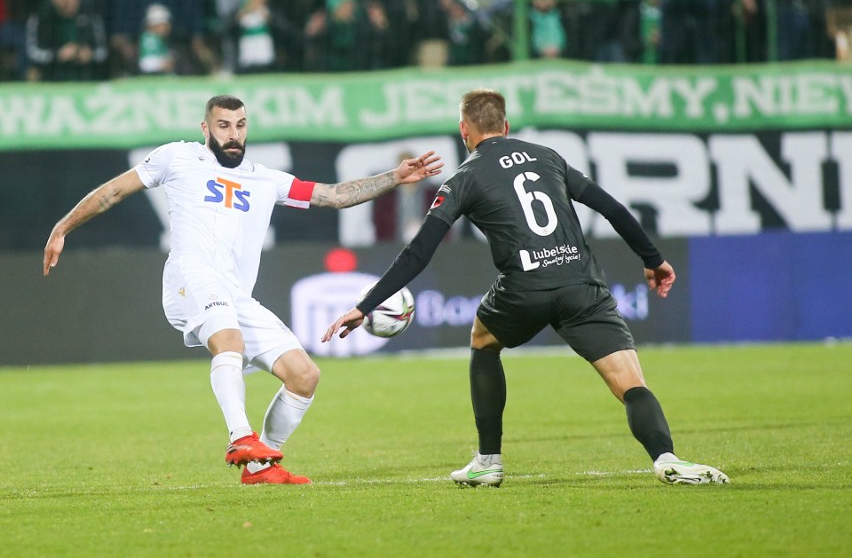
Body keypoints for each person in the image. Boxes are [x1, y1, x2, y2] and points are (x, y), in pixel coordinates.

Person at [322, 88, 728, 487]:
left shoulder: (464, 178)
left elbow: (419, 251)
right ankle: (666, 458)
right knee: (631, 383)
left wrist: (367, 304)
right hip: (580, 283)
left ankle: (488, 461)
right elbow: (612, 209)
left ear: (464, 130)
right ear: (506, 124)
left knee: (483, 342)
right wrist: (653, 260)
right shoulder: (548, 157)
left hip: (525, 287)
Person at [43, 95, 443, 485]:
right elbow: (113, 191)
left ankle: (260, 468)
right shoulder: (177, 157)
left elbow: (333, 195)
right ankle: (240, 438)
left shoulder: (265, 179)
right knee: (228, 341)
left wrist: (394, 177)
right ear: (206, 128)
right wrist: (63, 227)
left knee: (304, 376)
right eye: (223, 126)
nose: (233, 134)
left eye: (240, 125)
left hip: (235, 294)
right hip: (190, 276)